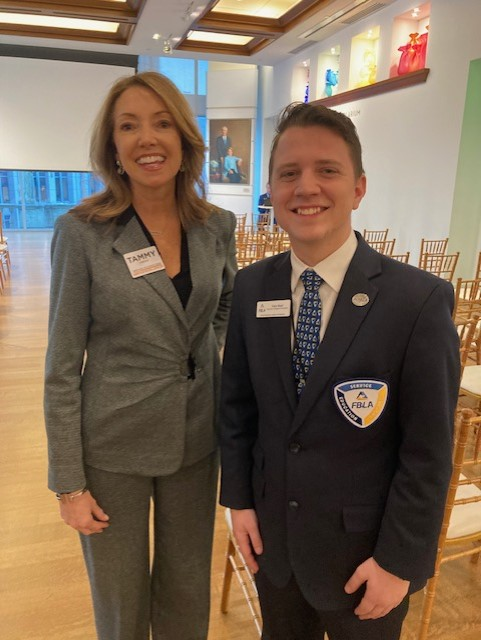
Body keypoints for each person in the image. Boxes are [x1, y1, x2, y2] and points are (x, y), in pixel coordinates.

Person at [220, 102, 459, 640]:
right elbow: (237, 405)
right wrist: (238, 498)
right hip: (275, 550)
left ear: (358, 188)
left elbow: (428, 452)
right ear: (272, 192)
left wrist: (399, 562)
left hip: (367, 563)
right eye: (289, 173)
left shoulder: (416, 302)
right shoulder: (253, 289)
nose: (306, 187)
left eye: (327, 170)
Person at [44, 71, 237, 640]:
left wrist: (206, 353)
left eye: (161, 123)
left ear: (183, 139)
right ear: (113, 148)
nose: (146, 138)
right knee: (121, 600)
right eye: (128, 126)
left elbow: (222, 304)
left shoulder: (215, 226)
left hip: (196, 441)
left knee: (186, 590)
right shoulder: (80, 233)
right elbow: (60, 368)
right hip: (113, 446)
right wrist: (68, 484)